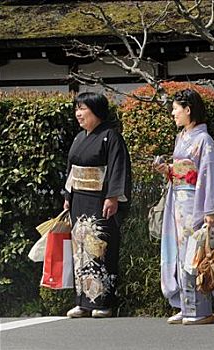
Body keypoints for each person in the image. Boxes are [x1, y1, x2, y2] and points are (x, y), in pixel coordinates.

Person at [154, 88, 214, 326]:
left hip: (195, 204)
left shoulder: (204, 139)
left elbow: (208, 175)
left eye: (176, 109)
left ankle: (200, 309)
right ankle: (184, 305)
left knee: (195, 253)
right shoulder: (182, 137)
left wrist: (210, 211)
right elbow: (182, 171)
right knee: (179, 252)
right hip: (177, 202)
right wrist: (168, 171)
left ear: (188, 110)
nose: (173, 113)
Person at [64, 92, 132, 318]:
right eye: (77, 109)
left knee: (100, 248)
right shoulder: (78, 138)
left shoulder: (111, 136)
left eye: (83, 109)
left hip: (100, 200)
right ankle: (82, 301)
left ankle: (103, 301)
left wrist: (113, 197)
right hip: (79, 200)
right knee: (80, 250)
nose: (78, 114)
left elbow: (117, 168)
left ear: (96, 110)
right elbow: (71, 169)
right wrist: (67, 194)